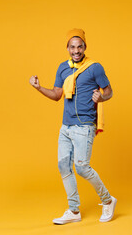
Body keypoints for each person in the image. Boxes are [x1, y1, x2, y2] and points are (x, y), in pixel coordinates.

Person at [29, 28, 117, 225]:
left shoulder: (95, 67)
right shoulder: (62, 67)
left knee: (82, 167)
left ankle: (108, 200)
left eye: (80, 47)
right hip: (66, 126)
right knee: (63, 166)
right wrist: (38, 87)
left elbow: (109, 91)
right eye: (72, 47)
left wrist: (102, 97)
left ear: (85, 47)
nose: (76, 50)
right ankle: (74, 210)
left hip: (84, 125)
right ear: (67, 48)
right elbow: (56, 95)